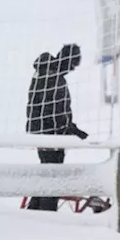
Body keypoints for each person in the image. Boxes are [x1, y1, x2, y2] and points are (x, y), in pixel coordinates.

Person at [25, 44, 88, 211]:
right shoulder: (53, 78)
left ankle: (34, 209)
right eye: (73, 64)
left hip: (42, 133)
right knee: (53, 176)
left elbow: (54, 111)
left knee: (47, 172)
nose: (73, 68)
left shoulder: (43, 74)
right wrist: (68, 129)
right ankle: (47, 214)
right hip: (50, 135)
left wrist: (72, 128)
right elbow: (53, 113)